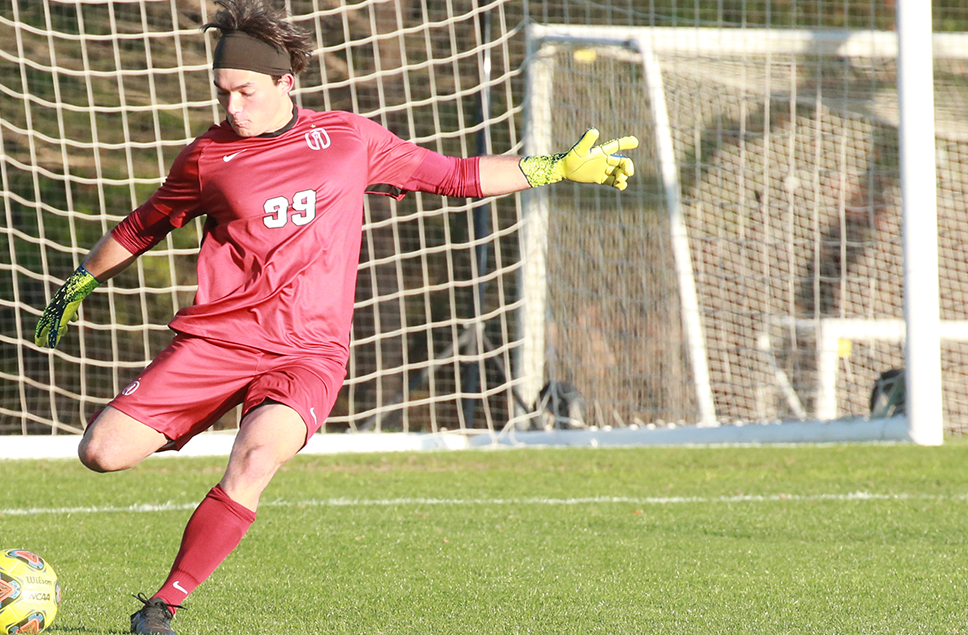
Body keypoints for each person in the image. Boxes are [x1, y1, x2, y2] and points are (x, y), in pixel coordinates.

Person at [33, 1, 637, 633]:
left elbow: (453, 175)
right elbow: (142, 226)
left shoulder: (349, 140)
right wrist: (81, 280)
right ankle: (202, 413)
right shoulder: (206, 156)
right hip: (222, 342)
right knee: (102, 452)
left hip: (308, 352)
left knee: (254, 459)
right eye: (222, 93)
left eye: (245, 91)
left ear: (285, 83)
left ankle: (163, 606)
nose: (231, 107)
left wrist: (553, 168)